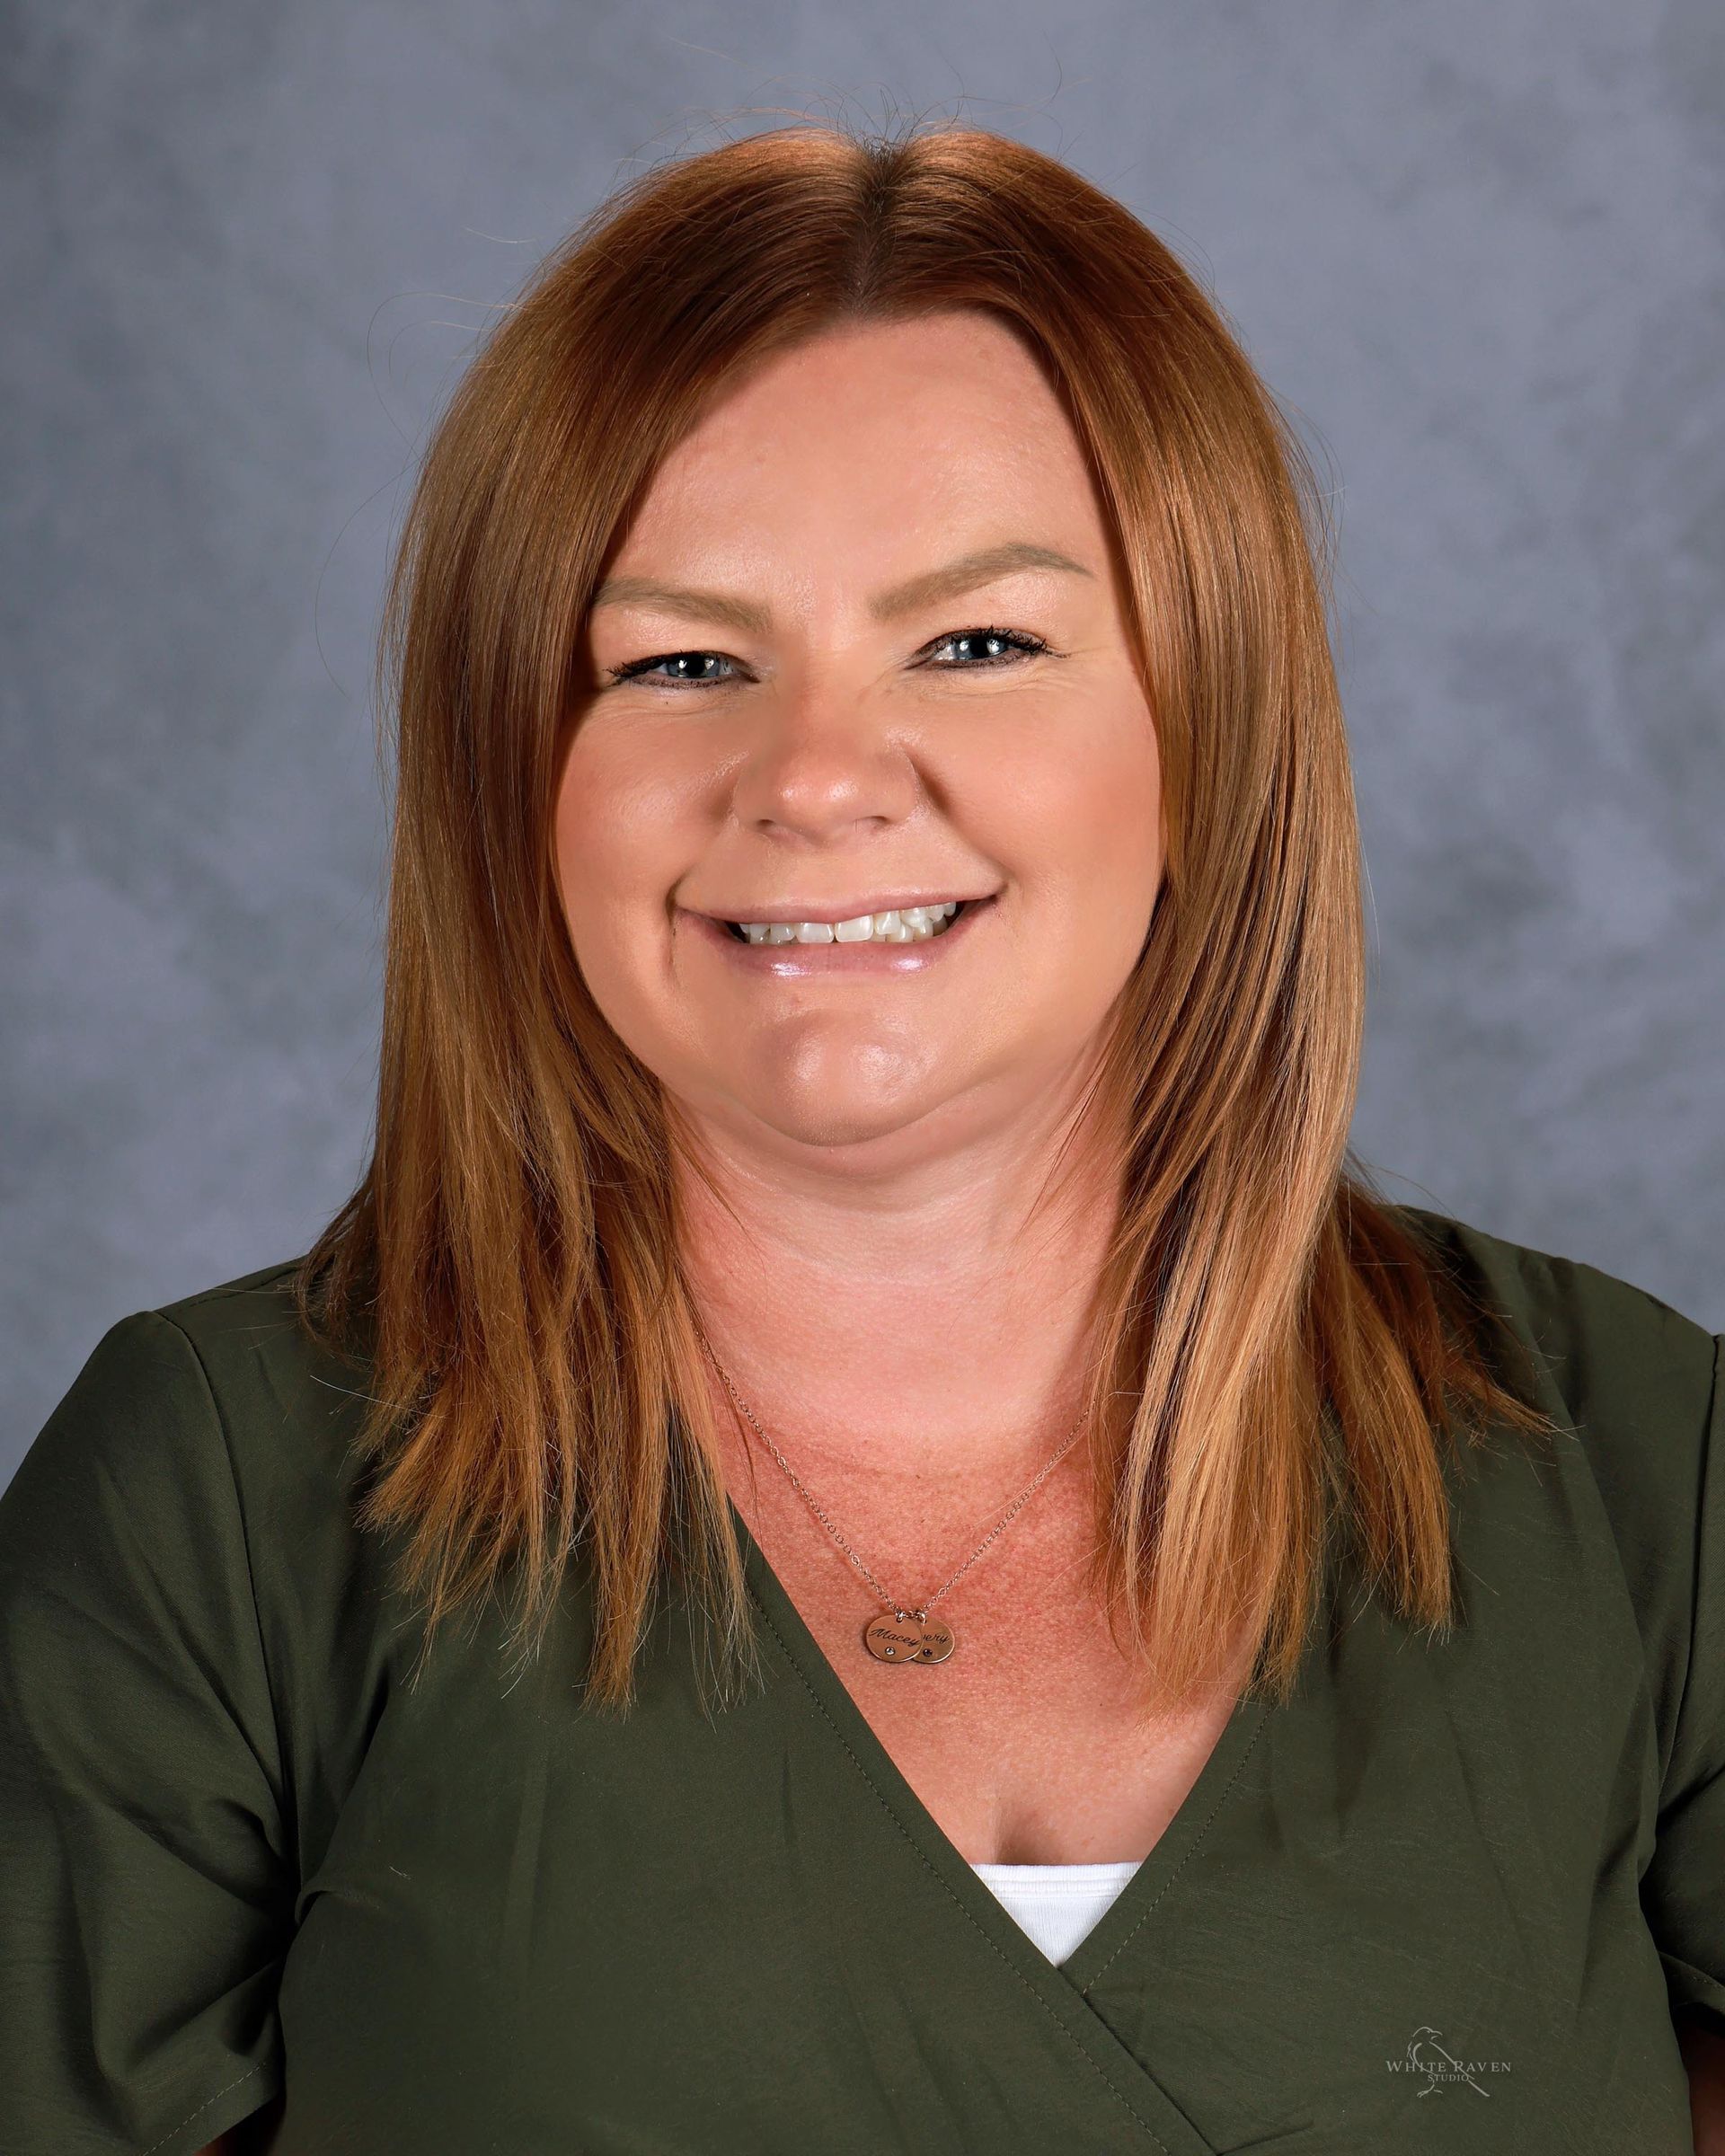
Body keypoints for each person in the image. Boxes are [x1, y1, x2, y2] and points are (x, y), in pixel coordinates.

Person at [2, 119, 1721, 2156]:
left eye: (976, 644)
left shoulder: (1641, 1472)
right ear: (512, 777)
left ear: (1212, 724)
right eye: (681, 662)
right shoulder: (213, 1502)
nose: (815, 777)